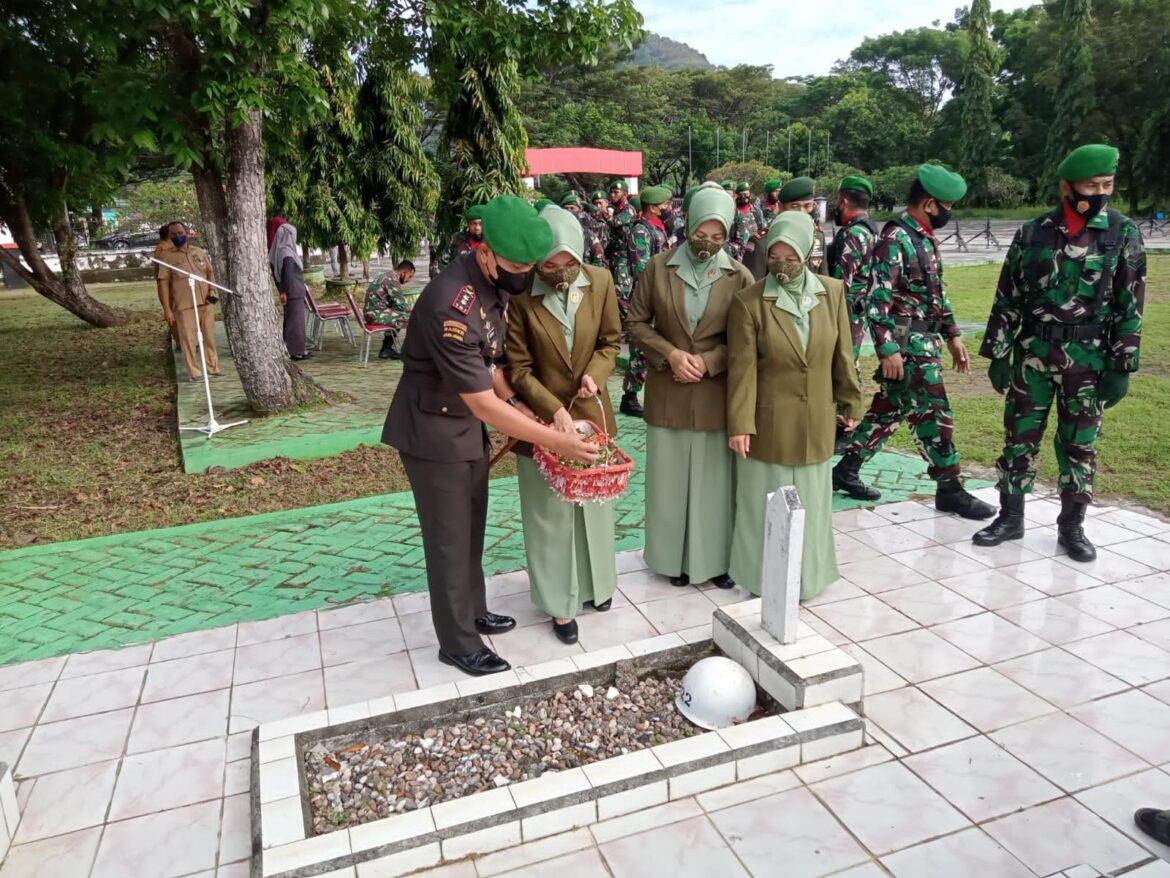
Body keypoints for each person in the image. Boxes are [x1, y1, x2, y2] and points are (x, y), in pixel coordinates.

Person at [382, 195, 599, 677]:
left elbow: (493, 368)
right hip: (432, 431)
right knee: (448, 539)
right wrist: (554, 440)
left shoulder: (492, 283)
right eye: (516, 265)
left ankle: (473, 610)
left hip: (462, 425)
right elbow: (483, 400)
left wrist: (531, 412)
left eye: (530, 265)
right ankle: (457, 642)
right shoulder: (451, 305)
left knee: (471, 526)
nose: (525, 274)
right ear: (484, 252)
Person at [973, 144, 1145, 562]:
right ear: (1066, 187)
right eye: (1092, 185)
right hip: (1031, 354)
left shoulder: (1121, 232)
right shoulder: (1033, 231)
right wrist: (998, 352)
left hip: (1089, 360)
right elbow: (1007, 294)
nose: (1101, 192)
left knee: (1079, 444)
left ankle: (1072, 526)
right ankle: (1011, 517)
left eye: (1107, 185)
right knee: (1019, 438)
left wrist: (1122, 366)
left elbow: (1131, 304)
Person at [831, 165, 995, 520]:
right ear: (931, 204)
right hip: (908, 346)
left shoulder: (922, 238)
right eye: (948, 205)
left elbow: (937, 293)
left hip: (924, 339)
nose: (949, 213)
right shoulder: (896, 239)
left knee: (888, 412)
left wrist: (952, 335)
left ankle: (847, 468)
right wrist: (888, 348)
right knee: (936, 414)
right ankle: (949, 488)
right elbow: (877, 300)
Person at [727, 212, 862, 599]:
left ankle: (809, 578)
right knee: (764, 508)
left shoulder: (830, 291)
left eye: (790, 256)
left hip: (816, 419)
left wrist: (850, 399)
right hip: (769, 425)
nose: (781, 264)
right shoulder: (750, 301)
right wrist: (739, 424)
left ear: (807, 253)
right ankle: (760, 578)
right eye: (775, 256)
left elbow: (843, 352)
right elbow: (742, 370)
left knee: (813, 507)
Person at [627, 186, 753, 590]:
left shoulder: (739, 274)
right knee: (670, 482)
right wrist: (670, 354)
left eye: (719, 238)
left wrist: (709, 361)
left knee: (715, 485)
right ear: (688, 226)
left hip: (715, 394)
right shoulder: (657, 268)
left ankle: (715, 562)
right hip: (669, 392)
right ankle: (672, 560)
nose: (709, 244)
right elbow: (635, 323)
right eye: (702, 234)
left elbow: (749, 338)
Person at [506, 205, 622, 644]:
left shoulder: (601, 281)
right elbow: (516, 368)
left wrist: (598, 371)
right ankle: (559, 605)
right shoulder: (521, 294)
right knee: (550, 511)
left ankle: (597, 587)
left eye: (569, 263)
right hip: (541, 421)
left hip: (592, 414)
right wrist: (554, 412)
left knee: (593, 504)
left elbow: (611, 341)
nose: (561, 272)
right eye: (550, 264)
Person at [827, 175, 880, 452]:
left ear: (843, 201)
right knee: (851, 362)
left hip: (846, 311)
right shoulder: (871, 230)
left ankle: (846, 425)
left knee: (846, 364)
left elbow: (841, 282)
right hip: (859, 310)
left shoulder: (852, 234)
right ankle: (848, 422)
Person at [625, 185, 674, 417]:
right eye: (665, 205)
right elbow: (641, 269)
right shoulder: (641, 232)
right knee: (640, 349)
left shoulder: (658, 229)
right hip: (646, 299)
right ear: (653, 207)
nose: (669, 208)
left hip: (659, 295)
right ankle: (630, 396)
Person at [156, 221, 220, 382]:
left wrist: (212, 290)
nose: (178, 236)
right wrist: (167, 309)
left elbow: (210, 272)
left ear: (187, 233)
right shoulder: (166, 256)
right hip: (184, 304)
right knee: (189, 339)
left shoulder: (198, 251)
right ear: (169, 237)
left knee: (209, 337)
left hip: (205, 301)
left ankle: (212, 367)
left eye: (180, 233)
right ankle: (195, 372)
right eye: (174, 235)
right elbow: (162, 283)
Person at [602, 179, 641, 416]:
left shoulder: (625, 211)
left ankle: (630, 325)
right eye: (612, 191)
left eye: (616, 191)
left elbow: (614, 223)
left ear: (625, 193)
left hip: (625, 261)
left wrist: (600, 214)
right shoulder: (615, 209)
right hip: (616, 260)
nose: (613, 194)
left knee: (622, 297)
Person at [267, 221, 311, 360]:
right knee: (296, 322)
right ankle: (296, 351)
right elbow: (287, 272)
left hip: (290, 290)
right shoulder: (286, 251)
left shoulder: (280, 250)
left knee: (291, 320)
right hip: (293, 290)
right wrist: (285, 291)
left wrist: (282, 290)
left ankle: (291, 348)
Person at [365, 260, 417, 360]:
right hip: (375, 314)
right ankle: (410, 351)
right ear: (403, 273)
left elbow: (397, 305)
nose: (409, 280)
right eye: (409, 276)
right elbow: (401, 305)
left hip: (373, 313)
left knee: (399, 316)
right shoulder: (392, 280)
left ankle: (386, 349)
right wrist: (417, 313)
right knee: (412, 319)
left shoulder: (387, 275)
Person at [562, 192, 608, 269]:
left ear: (580, 210)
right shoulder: (557, 233)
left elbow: (600, 262)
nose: (569, 211)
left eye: (572, 208)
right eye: (566, 208)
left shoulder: (588, 234)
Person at [153, 224, 180, 350]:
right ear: (168, 235)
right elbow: (162, 272)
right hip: (167, 287)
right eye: (174, 233)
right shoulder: (162, 248)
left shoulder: (171, 247)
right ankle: (180, 343)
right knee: (173, 315)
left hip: (178, 287)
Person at [437, 205, 484, 272]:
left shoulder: (491, 243)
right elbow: (443, 264)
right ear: (468, 225)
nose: (477, 228)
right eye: (473, 224)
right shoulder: (456, 239)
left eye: (481, 224)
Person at [726, 182, 763, 262]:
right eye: (741, 194)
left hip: (752, 256)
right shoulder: (732, 211)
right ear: (736, 196)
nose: (744, 197)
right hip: (734, 257)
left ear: (750, 194)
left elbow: (761, 230)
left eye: (746, 194)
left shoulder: (757, 212)